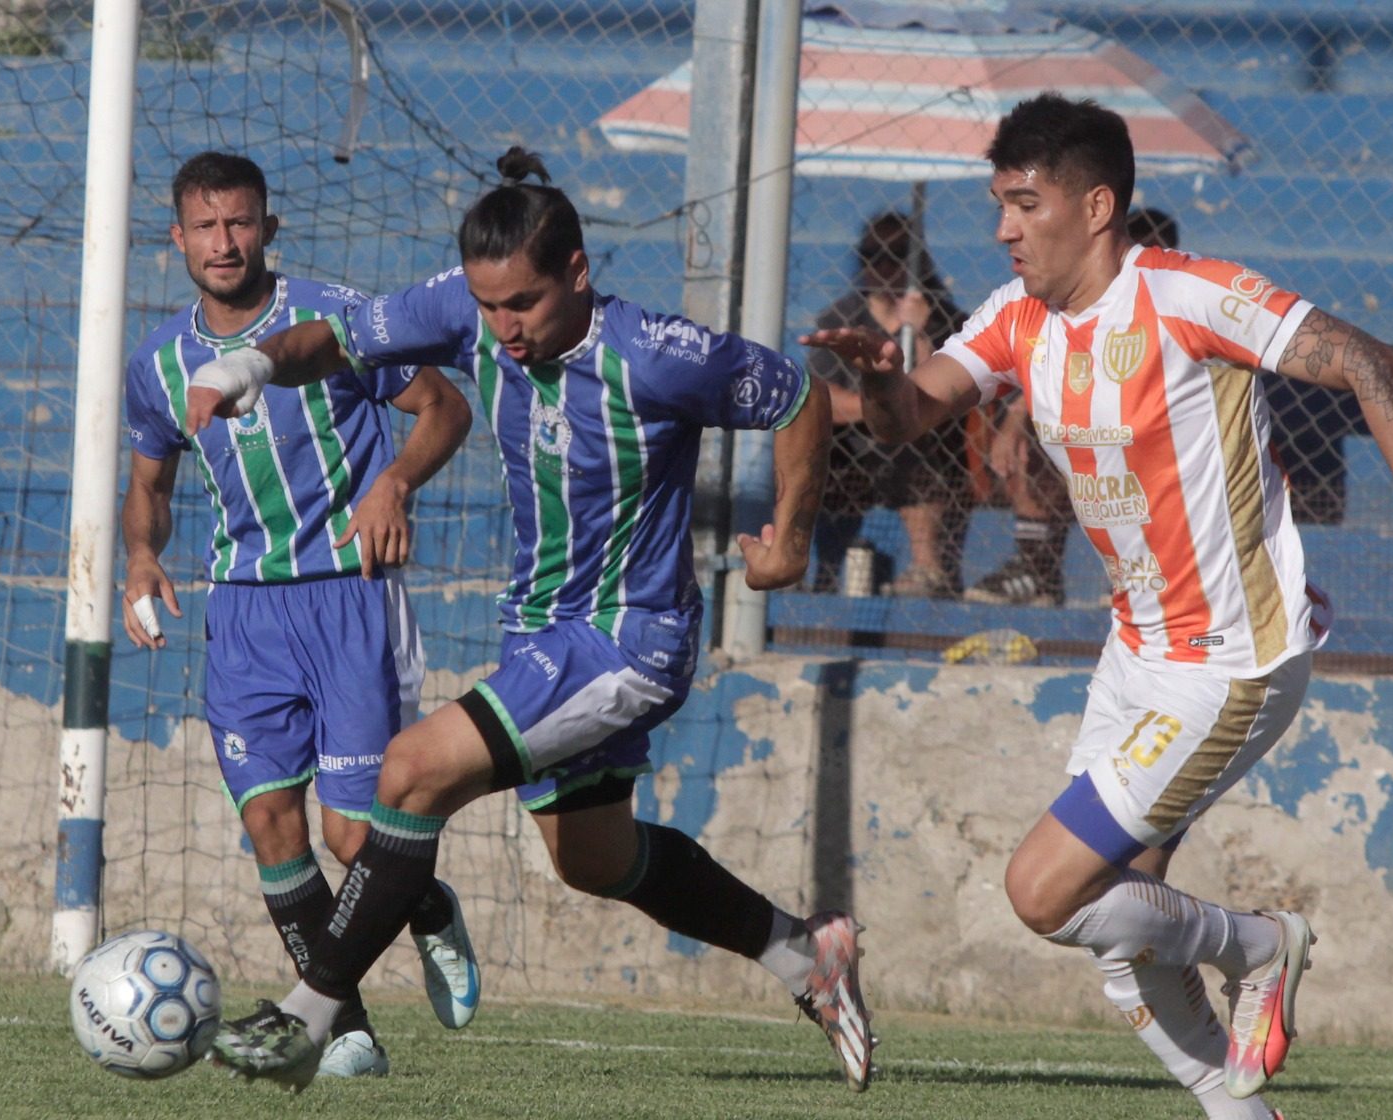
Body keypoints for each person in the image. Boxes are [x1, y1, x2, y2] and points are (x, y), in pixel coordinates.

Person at [805, 94, 1393, 1119]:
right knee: (1123, 933)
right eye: (997, 204)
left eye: (1021, 203)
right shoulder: (1016, 315)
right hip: (1137, 652)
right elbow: (917, 413)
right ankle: (1240, 1109)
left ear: (1095, 207)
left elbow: (1370, 361)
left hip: (1231, 656)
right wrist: (875, 379)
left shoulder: (1185, 296)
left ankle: (1265, 944)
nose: (1001, 228)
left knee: (1042, 890)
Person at [182, 148, 874, 1094]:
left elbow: (797, 397)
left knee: (412, 769)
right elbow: (337, 339)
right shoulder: (468, 311)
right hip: (542, 634)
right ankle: (806, 954)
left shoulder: (654, 357)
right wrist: (252, 362)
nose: (502, 329)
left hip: (629, 638)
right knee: (595, 860)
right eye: (489, 307)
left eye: (524, 306)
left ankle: (311, 1014)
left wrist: (790, 542)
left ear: (577, 275)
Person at [120, 151, 481, 1079]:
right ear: (178, 240)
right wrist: (142, 558)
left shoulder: (336, 324)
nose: (224, 242)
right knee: (272, 827)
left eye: (240, 223)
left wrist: (393, 482)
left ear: (268, 228)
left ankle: (427, 904)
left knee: (352, 840)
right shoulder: (157, 363)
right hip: (242, 614)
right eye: (205, 227)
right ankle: (344, 1029)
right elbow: (150, 482)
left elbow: (444, 406)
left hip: (348, 598)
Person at [965, 206, 1181, 606]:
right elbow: (1054, 367)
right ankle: (1036, 570)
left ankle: (1147, 570)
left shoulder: (1177, 310)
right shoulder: (1079, 305)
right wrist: (1014, 421)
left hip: (1152, 435)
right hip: (1089, 424)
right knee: (1029, 432)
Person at [808, 211, 968, 597]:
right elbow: (821, 392)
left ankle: (927, 569)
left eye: (895, 256)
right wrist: (881, 407)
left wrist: (917, 333)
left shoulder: (943, 318)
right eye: (871, 255)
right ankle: (814, 569)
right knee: (806, 436)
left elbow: (938, 390)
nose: (881, 267)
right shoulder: (842, 316)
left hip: (918, 442)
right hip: (854, 445)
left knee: (914, 445)